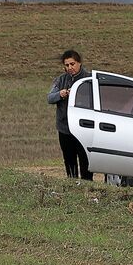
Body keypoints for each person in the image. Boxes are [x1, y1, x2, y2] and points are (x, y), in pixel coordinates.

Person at [47, 49, 93, 180]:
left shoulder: (88, 79)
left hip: (84, 128)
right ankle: (72, 185)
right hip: (65, 128)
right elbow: (50, 98)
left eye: (72, 64)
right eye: (67, 65)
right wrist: (61, 94)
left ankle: (87, 184)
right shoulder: (61, 80)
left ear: (79, 63)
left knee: (85, 160)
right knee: (69, 159)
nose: (70, 68)